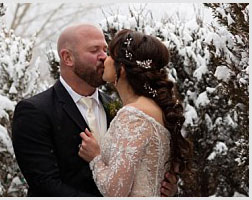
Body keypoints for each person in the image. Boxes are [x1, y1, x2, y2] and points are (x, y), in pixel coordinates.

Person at [12, 24, 179, 197]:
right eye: (94, 50)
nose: (103, 57)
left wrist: (161, 187)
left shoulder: (122, 109)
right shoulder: (35, 111)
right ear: (67, 57)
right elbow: (45, 185)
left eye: (105, 50)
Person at [78, 29, 192, 196]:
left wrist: (95, 157)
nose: (105, 59)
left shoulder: (133, 115)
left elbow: (115, 190)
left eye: (110, 55)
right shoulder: (155, 108)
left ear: (122, 69)